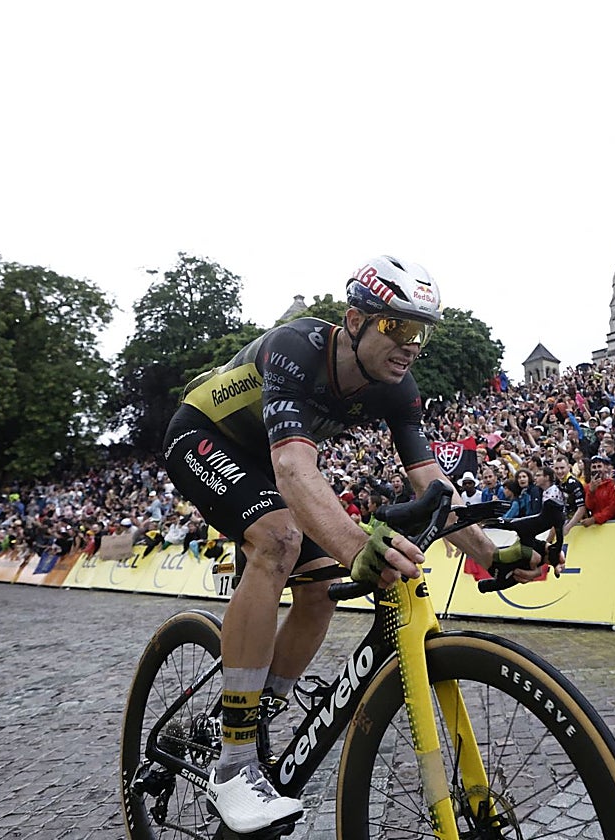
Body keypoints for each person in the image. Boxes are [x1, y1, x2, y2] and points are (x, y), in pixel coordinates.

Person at [161, 254, 542, 833]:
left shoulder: (397, 386)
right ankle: (234, 765)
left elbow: (431, 482)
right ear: (356, 320)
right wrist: (357, 547)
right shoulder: (296, 347)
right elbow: (293, 468)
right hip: (203, 437)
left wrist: (491, 552)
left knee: (320, 593)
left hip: (270, 462)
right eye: (399, 326)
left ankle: (254, 713)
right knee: (279, 540)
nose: (412, 345)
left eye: (422, 333)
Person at [581, 454, 615, 526]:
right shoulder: (587, 487)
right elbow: (589, 506)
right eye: (594, 467)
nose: (597, 469)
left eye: (599, 466)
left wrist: (595, 519)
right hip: (596, 526)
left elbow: (613, 508)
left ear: (605, 468)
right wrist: (591, 492)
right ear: (590, 469)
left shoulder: (613, 485)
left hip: (614, 524)